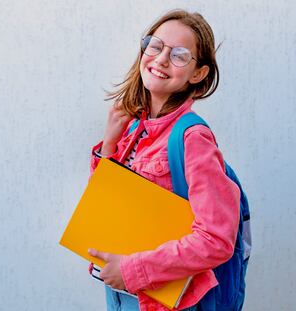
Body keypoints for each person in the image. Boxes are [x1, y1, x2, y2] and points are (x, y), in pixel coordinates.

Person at [87, 9, 241, 311]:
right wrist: (109, 146)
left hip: (165, 302)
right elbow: (104, 208)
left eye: (180, 55)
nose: (160, 59)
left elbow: (217, 238)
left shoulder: (192, 138)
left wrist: (132, 271)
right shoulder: (131, 126)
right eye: (155, 46)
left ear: (198, 74)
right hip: (123, 296)